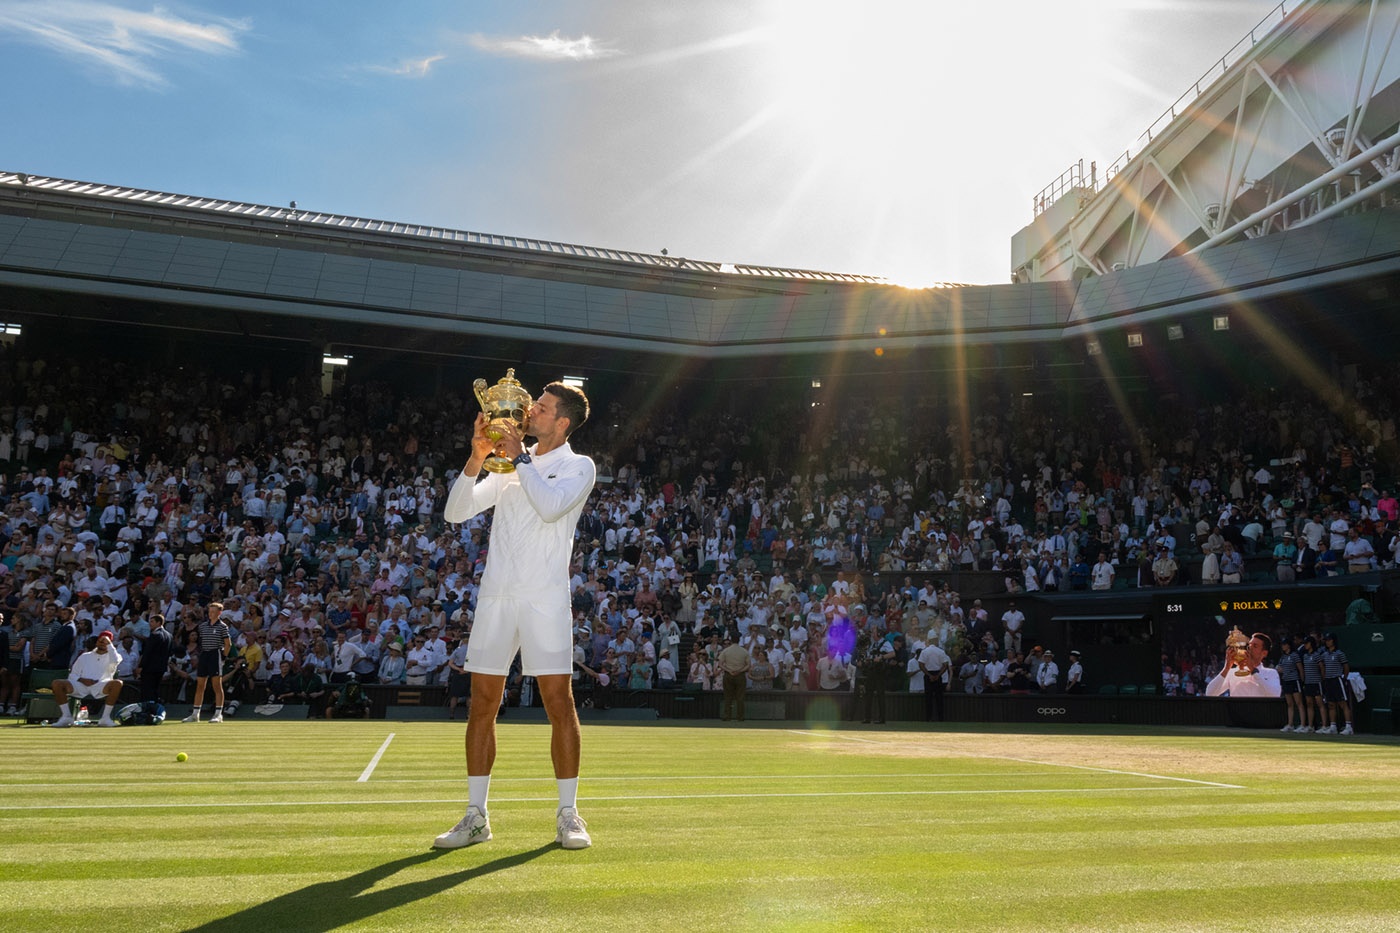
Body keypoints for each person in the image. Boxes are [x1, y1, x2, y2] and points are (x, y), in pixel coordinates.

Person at [434, 381, 596, 851]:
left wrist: (518, 458)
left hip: (545, 598)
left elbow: (548, 508)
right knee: (481, 704)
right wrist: (477, 456)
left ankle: (568, 814)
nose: (529, 412)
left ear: (560, 422)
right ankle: (475, 816)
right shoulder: (506, 467)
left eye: (540, 408)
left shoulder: (578, 466)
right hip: (497, 597)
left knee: (558, 705)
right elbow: (456, 513)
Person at [50, 630, 124, 727]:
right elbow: (73, 674)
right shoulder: (85, 656)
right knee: (57, 683)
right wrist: (82, 680)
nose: (103, 644)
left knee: (118, 683)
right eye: (101, 641)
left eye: (106, 642)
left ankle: (105, 718)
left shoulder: (115, 656)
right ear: (97, 642)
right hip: (81, 685)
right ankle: (66, 717)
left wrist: (109, 643)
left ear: (110, 644)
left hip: (100, 685)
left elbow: (115, 660)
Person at [182, 602, 231, 722]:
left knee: (216, 685)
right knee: (200, 685)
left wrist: (223, 657)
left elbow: (228, 644)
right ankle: (195, 714)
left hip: (216, 654)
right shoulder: (202, 626)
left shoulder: (222, 626)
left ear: (219, 613)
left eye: (213, 611)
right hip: (204, 655)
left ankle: (218, 714)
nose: (211, 614)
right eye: (209, 611)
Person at [1205, 632, 1281, 698]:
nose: (1250, 648)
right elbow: (1210, 694)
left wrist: (1253, 671)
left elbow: (1275, 695)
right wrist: (1227, 668)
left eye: (1255, 646)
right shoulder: (1232, 673)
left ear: (1264, 653)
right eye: (1249, 645)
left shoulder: (1271, 673)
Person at [1317, 632, 1354, 735]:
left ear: (1333, 641)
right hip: (1328, 681)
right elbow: (1322, 667)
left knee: (1343, 703)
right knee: (1331, 704)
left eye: (1329, 640)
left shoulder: (1340, 653)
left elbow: (1346, 667)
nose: (1327, 642)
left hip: (1337, 680)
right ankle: (1333, 726)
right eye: (1326, 640)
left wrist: (1343, 678)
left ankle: (1348, 726)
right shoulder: (1324, 655)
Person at [716, 635, 752, 722]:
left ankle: (727, 715)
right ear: (739, 640)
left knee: (728, 696)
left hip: (728, 674)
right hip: (740, 675)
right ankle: (740, 716)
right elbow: (748, 665)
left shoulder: (726, 651)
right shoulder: (744, 651)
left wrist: (728, 670)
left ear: (731, 640)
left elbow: (720, 664)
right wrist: (739, 671)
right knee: (740, 697)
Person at [916, 638, 951, 721]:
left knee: (928, 698)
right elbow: (945, 665)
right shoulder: (941, 651)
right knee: (939, 698)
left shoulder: (924, 651)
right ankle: (940, 718)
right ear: (936, 642)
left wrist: (929, 675)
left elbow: (921, 665)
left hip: (928, 675)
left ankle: (928, 718)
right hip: (938, 674)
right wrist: (938, 675)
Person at [1276, 635, 1304, 732]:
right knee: (1290, 704)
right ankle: (1290, 724)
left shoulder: (1295, 655)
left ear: (1289, 645)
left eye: (1284, 644)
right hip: (1286, 681)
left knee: (1299, 703)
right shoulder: (1283, 657)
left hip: (1294, 681)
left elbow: (1300, 669)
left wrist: (1302, 681)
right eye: (1282, 644)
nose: (1283, 646)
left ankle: (1303, 724)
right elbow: (1279, 668)